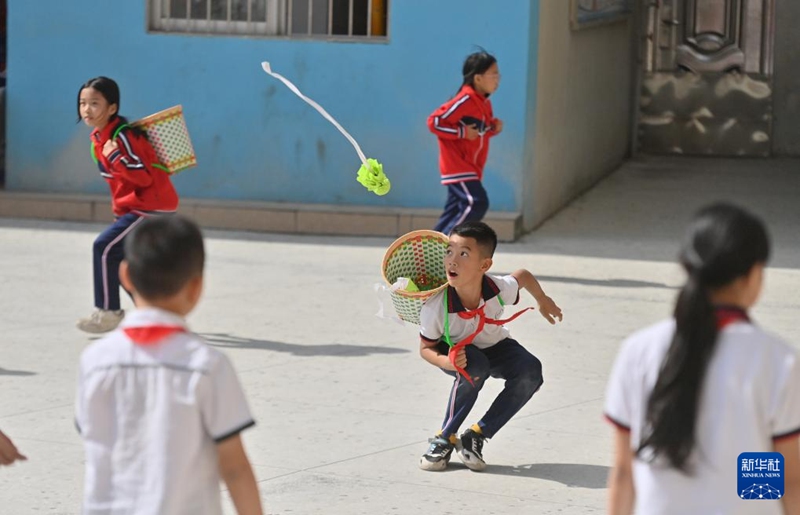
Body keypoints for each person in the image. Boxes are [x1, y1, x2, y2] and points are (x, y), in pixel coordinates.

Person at [605, 203, 800, 515]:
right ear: (754, 274)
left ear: (687, 267)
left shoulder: (639, 351)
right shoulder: (777, 360)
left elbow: (624, 473)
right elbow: (784, 479)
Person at [75, 215, 263, 515]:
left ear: (125, 276)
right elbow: (234, 467)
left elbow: (90, 431)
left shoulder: (94, 362)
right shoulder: (208, 366)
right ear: (196, 286)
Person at [417, 221, 563, 471]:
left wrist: (542, 299)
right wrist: (447, 362)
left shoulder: (496, 288)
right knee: (475, 368)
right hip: (454, 352)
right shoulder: (436, 306)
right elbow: (426, 349)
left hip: (495, 345)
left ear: (484, 265)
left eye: (464, 254)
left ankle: (476, 435)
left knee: (531, 371)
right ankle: (444, 438)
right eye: (449, 251)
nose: (452, 260)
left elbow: (523, 276)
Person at [76, 76, 179, 334]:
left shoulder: (121, 137)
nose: (87, 109)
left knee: (103, 247)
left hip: (150, 205)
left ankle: (109, 312)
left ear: (112, 108)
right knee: (123, 262)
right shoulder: (100, 138)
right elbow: (118, 185)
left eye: (95, 103)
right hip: (139, 207)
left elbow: (141, 176)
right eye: (83, 103)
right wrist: (119, 216)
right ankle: (155, 316)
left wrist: (114, 155)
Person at [427, 51, 502, 235]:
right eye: (493, 74)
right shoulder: (465, 100)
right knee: (476, 202)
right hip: (458, 166)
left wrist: (492, 128)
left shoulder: (484, 103)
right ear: (477, 78)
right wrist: (461, 132)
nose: (497, 79)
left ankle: (427, 250)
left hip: (472, 167)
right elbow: (434, 122)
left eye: (498, 74)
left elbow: (477, 133)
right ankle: (447, 244)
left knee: (453, 212)